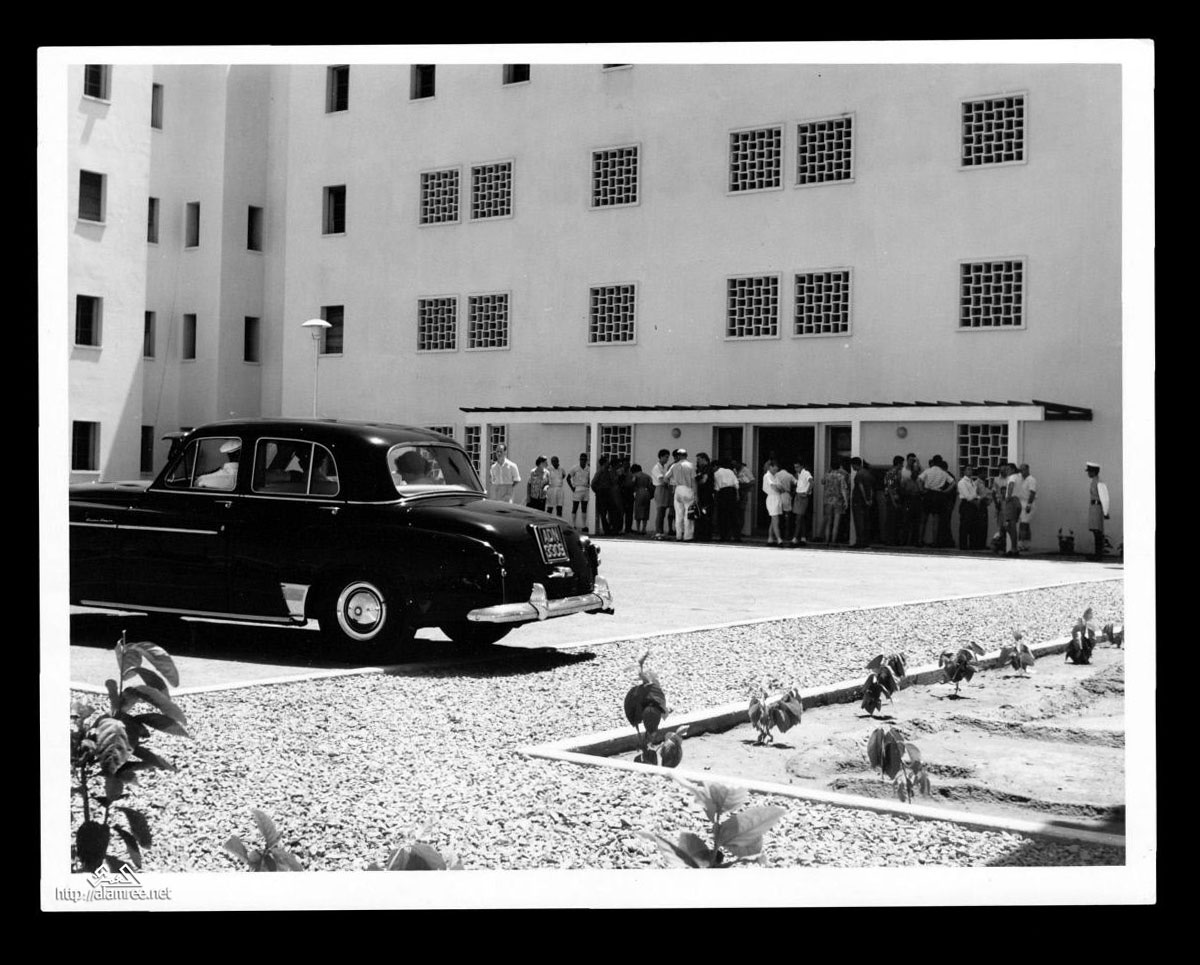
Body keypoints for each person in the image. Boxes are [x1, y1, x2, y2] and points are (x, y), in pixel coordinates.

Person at [917, 455, 954, 547]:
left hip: (928, 493)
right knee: (935, 520)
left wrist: (921, 490)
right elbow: (953, 482)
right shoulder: (943, 473)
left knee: (923, 519)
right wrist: (946, 491)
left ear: (933, 462)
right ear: (941, 462)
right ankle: (934, 542)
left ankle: (919, 540)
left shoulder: (928, 471)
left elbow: (919, 480)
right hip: (938, 494)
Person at [666, 448, 696, 542]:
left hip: (678, 489)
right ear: (686, 455)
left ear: (678, 456)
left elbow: (665, 478)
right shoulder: (691, 465)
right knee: (688, 514)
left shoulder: (674, 466)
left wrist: (673, 483)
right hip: (688, 489)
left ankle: (678, 535)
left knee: (678, 514)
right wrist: (696, 494)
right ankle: (687, 536)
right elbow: (693, 480)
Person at [820, 457, 849, 545]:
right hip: (838, 501)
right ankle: (833, 541)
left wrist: (828, 471)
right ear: (839, 467)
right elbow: (843, 490)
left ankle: (826, 540)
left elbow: (822, 482)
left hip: (827, 501)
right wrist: (846, 501)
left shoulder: (827, 475)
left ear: (831, 467)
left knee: (828, 522)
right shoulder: (841, 477)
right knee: (836, 523)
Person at [1085, 461, 1109, 560]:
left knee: (1097, 531)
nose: (1088, 473)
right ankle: (1097, 554)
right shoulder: (1094, 481)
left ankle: (1098, 555)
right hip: (1094, 507)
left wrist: (1105, 511)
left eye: (1089, 471)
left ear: (1094, 472)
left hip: (1097, 507)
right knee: (1095, 531)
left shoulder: (1099, 482)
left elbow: (1104, 497)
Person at [998, 461, 1023, 556]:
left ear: (1013, 469)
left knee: (1010, 526)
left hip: (1011, 501)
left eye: (1008, 469)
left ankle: (1014, 548)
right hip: (1017, 501)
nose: (1006, 471)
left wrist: (1008, 497)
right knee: (1010, 526)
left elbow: (1011, 486)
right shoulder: (1019, 477)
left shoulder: (1012, 477)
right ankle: (1014, 547)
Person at [849, 456, 875, 548]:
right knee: (866, 522)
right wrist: (870, 499)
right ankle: (865, 542)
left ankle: (860, 542)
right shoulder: (868, 473)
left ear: (855, 465)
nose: (852, 467)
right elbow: (871, 488)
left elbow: (861, 487)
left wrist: (865, 499)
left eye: (852, 465)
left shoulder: (859, 474)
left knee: (859, 522)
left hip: (858, 501)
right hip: (866, 502)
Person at [713, 458, 741, 541]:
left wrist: (716, 498)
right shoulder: (730, 471)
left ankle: (724, 536)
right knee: (734, 515)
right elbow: (736, 483)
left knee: (723, 516)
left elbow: (717, 487)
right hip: (732, 492)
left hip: (723, 492)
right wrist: (737, 494)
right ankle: (737, 536)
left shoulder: (716, 473)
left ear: (716, 466)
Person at [900, 453, 923, 546]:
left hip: (916, 500)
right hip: (908, 499)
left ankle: (914, 541)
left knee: (916, 521)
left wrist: (918, 462)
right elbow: (902, 489)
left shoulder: (918, 481)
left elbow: (921, 490)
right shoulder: (905, 478)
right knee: (906, 521)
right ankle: (905, 540)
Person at [790, 458, 813, 545]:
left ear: (802, 466)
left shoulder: (806, 473)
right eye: (795, 467)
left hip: (803, 496)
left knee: (799, 518)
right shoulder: (798, 474)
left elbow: (812, 482)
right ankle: (803, 538)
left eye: (797, 467)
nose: (796, 469)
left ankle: (795, 538)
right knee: (801, 518)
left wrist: (807, 492)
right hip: (798, 496)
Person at [956, 465, 981, 549]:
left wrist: (978, 499)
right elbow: (967, 496)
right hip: (966, 504)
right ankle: (963, 545)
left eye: (971, 469)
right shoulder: (962, 482)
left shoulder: (972, 482)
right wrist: (975, 501)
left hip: (973, 504)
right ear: (964, 471)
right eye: (968, 469)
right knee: (965, 526)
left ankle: (973, 545)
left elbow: (975, 493)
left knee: (973, 526)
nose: (970, 471)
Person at [651, 448, 673, 540]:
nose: (667, 459)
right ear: (661, 457)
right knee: (660, 511)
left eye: (668, 457)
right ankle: (658, 532)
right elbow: (662, 480)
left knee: (663, 512)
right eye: (666, 457)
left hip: (664, 489)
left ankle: (661, 532)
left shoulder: (663, 467)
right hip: (660, 489)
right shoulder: (657, 467)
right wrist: (669, 482)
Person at [881, 456, 904, 545]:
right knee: (891, 519)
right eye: (901, 464)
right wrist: (893, 501)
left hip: (894, 498)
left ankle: (892, 539)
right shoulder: (892, 473)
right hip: (892, 499)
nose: (902, 466)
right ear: (898, 464)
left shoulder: (895, 473)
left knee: (894, 519)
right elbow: (890, 488)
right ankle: (890, 539)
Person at [590, 455, 615, 534]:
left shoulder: (608, 472)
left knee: (610, 511)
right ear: (604, 463)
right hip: (602, 493)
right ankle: (606, 530)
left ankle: (610, 528)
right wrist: (598, 491)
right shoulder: (600, 472)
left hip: (608, 493)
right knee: (603, 513)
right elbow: (593, 483)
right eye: (607, 461)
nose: (609, 463)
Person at [566, 452, 591, 532]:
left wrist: (589, 485)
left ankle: (584, 525)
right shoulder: (575, 468)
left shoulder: (588, 468)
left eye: (584, 459)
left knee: (584, 508)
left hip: (585, 489)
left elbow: (590, 478)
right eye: (581, 459)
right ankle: (573, 525)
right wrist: (572, 488)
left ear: (586, 460)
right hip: (577, 489)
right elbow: (568, 478)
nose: (583, 461)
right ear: (579, 459)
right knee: (575, 507)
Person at [1016, 463, 1038, 552]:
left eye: (1023, 470)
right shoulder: (1021, 479)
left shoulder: (1031, 480)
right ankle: (1026, 544)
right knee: (1025, 524)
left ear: (1027, 470)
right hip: (1021, 502)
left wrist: (1029, 504)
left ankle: (1020, 544)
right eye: (1020, 470)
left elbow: (1032, 493)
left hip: (1028, 503)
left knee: (1023, 524)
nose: (1021, 472)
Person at [762, 458, 784, 545]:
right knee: (775, 520)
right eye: (774, 468)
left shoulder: (775, 476)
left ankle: (770, 539)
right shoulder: (767, 476)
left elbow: (782, 488)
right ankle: (779, 539)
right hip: (772, 498)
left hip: (777, 498)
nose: (776, 470)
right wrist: (778, 488)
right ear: (770, 467)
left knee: (773, 520)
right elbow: (774, 487)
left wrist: (778, 488)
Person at [694, 452, 716, 541]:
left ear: (704, 459)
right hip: (700, 494)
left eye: (699, 460)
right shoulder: (700, 469)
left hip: (707, 494)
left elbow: (704, 480)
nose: (697, 461)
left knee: (706, 514)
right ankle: (700, 534)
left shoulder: (708, 468)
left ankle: (706, 535)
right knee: (700, 514)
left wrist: (696, 482)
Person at [773, 460, 796, 543]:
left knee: (777, 516)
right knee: (787, 516)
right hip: (786, 495)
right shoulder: (789, 475)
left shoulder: (776, 475)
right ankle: (787, 534)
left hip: (777, 495)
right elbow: (796, 483)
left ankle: (778, 534)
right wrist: (793, 492)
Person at [631, 463, 654, 535]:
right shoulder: (647, 476)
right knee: (645, 511)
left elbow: (632, 484)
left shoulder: (635, 476)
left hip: (639, 493)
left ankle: (638, 529)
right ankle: (644, 529)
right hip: (647, 493)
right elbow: (651, 486)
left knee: (638, 511)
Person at [735, 460, 755, 542]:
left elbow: (752, 481)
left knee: (741, 513)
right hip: (736, 493)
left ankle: (739, 532)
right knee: (736, 513)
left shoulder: (746, 470)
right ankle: (736, 532)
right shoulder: (734, 470)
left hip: (743, 493)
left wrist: (742, 486)